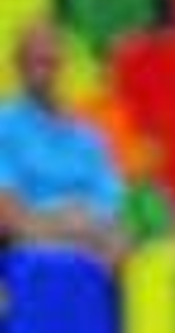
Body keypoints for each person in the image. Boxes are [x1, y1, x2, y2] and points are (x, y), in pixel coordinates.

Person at [0, 23, 125, 262]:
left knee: (124, 241)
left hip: (93, 231)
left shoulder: (87, 135)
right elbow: (7, 211)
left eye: (51, 63)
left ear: (62, 67)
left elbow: (110, 200)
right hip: (35, 231)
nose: (45, 73)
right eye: (36, 63)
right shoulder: (4, 125)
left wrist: (86, 221)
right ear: (19, 67)